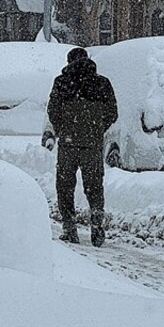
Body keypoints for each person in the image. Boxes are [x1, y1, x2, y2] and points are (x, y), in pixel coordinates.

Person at [46, 46, 118, 247]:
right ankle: (96, 219)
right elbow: (113, 112)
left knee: (65, 186)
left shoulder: (61, 82)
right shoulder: (102, 83)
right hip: (92, 145)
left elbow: (52, 111)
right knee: (94, 185)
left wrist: (64, 128)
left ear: (69, 62)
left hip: (68, 145)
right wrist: (97, 129)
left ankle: (70, 229)